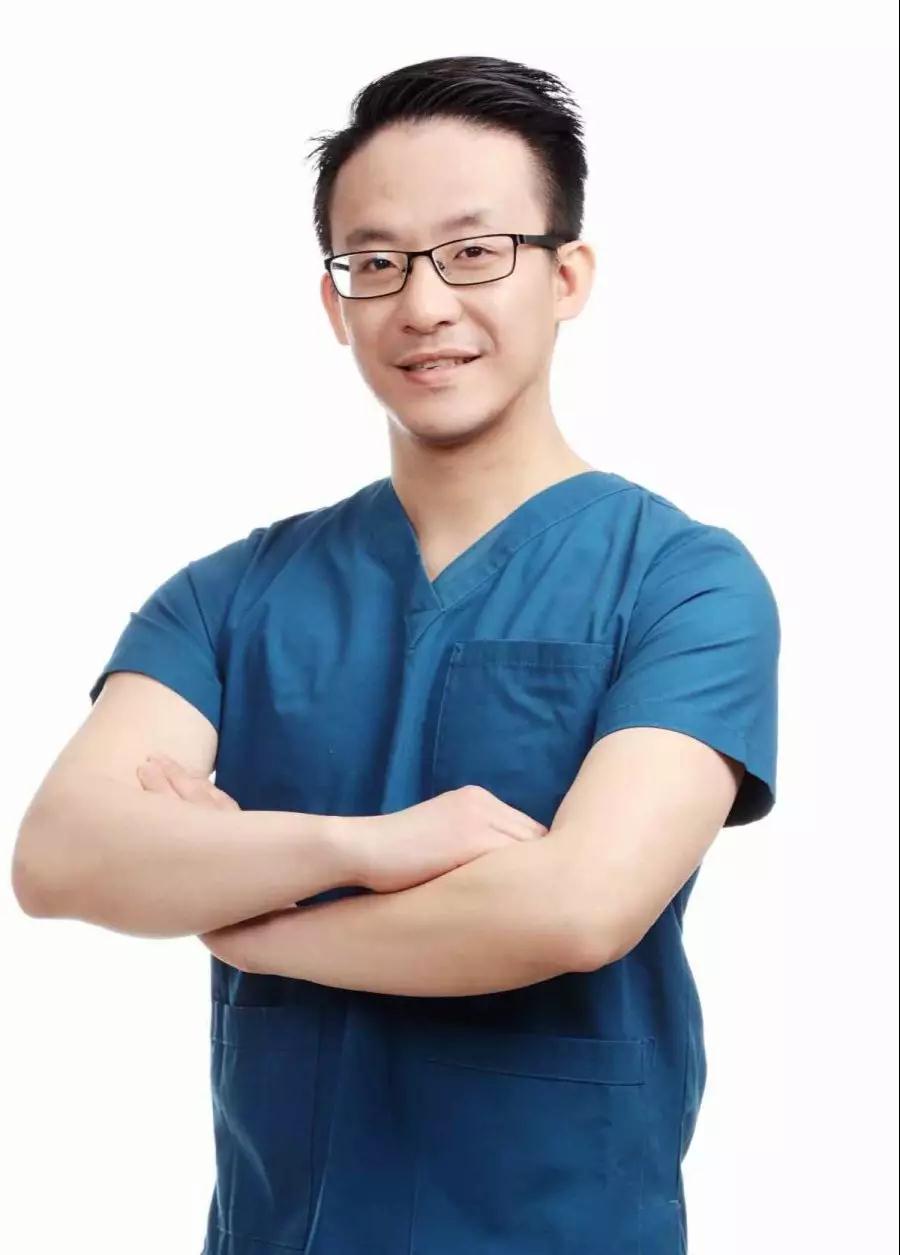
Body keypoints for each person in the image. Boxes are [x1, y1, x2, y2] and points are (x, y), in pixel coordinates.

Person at [12, 55, 780, 1255]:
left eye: (474, 251)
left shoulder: (683, 582)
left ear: (567, 276)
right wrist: (367, 847)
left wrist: (248, 914)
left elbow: (576, 907)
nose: (423, 304)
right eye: (375, 262)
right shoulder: (227, 598)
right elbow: (61, 855)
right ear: (336, 303)